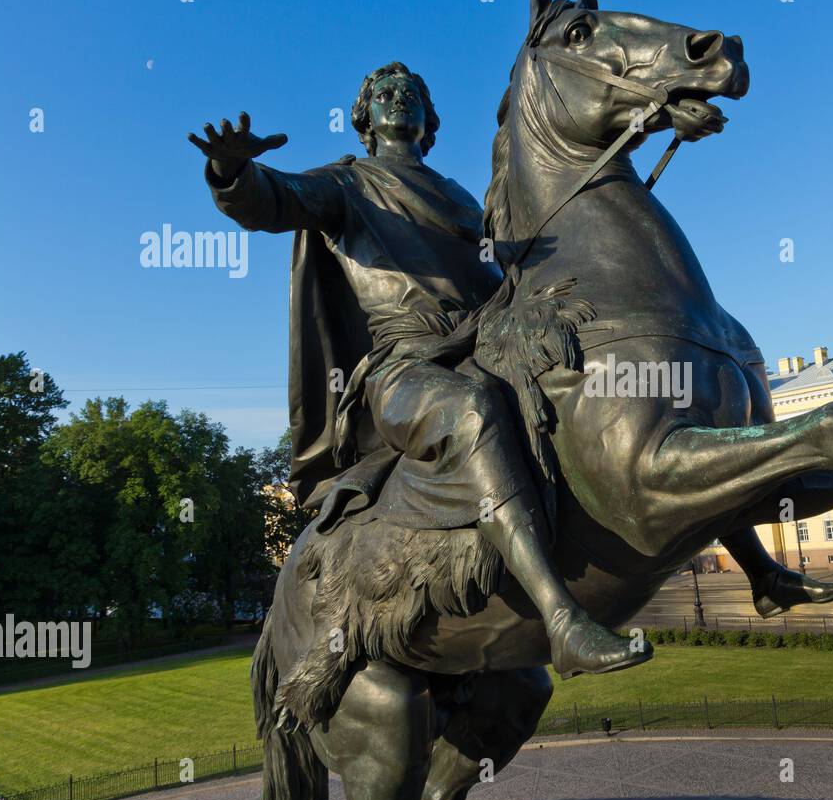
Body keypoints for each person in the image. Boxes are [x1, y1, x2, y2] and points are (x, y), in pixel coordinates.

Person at [189, 61, 651, 678]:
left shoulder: (460, 196)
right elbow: (270, 201)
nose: (398, 98)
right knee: (472, 411)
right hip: (403, 368)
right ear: (365, 118)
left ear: (429, 120)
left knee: (604, 385)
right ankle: (561, 621)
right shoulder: (346, 185)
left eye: (411, 93)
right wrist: (231, 171)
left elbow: (504, 270)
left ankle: (753, 562)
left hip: (481, 344)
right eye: (384, 93)